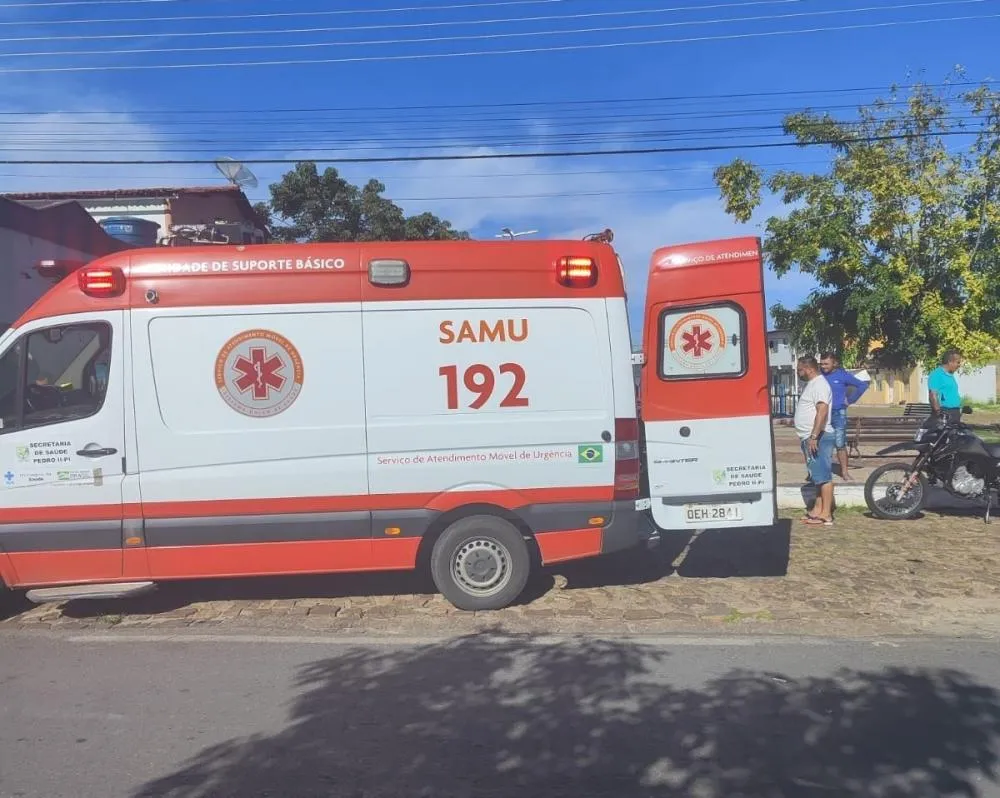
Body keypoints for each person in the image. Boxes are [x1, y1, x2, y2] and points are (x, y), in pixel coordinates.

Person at [794, 355, 836, 526]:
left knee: (824, 476)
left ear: (809, 369)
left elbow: (822, 411)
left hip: (820, 437)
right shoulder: (812, 385)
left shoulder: (819, 384)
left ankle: (826, 514)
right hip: (811, 437)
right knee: (817, 476)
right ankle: (817, 509)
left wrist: (814, 436)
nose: (798, 372)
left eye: (799, 370)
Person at [819, 352, 869, 482]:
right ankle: (819, 472)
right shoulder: (819, 375)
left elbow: (863, 385)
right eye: (821, 363)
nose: (823, 366)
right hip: (822, 413)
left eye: (826, 364)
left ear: (834, 363)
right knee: (822, 443)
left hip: (838, 413)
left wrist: (850, 399)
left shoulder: (842, 375)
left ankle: (845, 472)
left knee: (840, 443)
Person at [928, 349, 963, 424]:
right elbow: (933, 395)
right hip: (944, 413)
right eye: (958, 362)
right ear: (950, 362)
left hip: (955, 413)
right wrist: (938, 413)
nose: (959, 365)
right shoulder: (937, 374)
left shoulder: (950, 376)